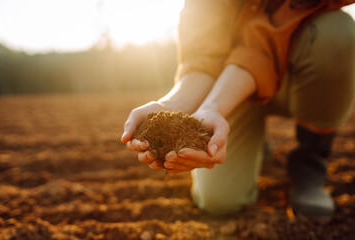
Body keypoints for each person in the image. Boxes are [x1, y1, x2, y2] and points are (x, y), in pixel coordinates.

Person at [121, 0, 355, 218]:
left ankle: (309, 165)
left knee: (336, 34)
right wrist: (170, 106)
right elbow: (202, 60)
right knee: (220, 201)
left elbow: (265, 43)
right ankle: (256, 142)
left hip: (295, 74)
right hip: (232, 86)